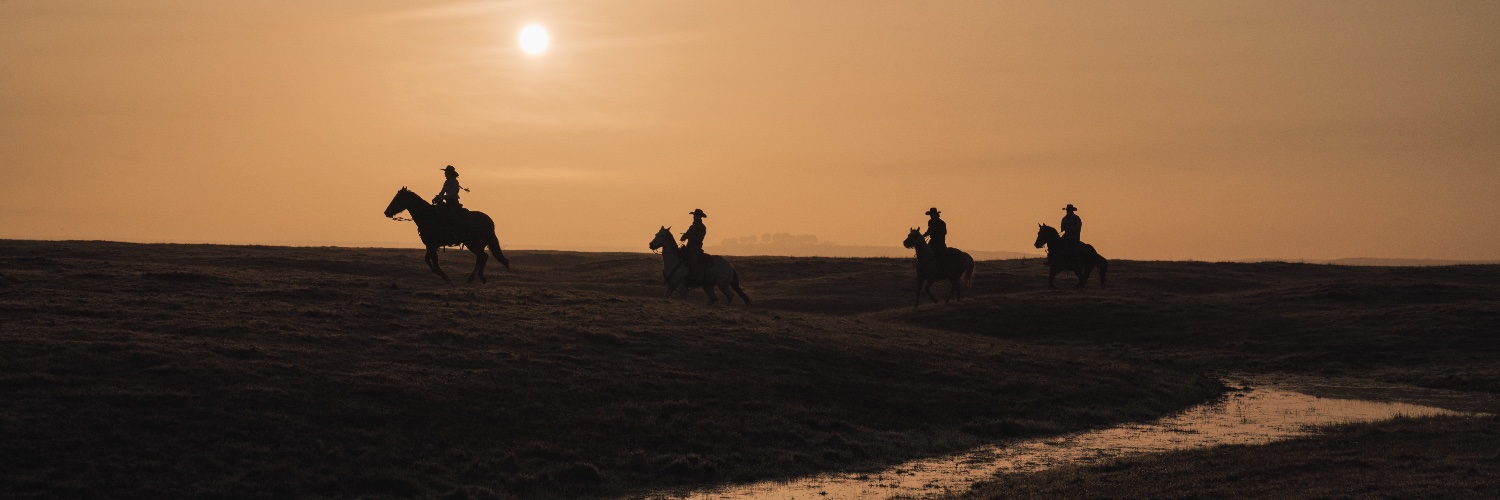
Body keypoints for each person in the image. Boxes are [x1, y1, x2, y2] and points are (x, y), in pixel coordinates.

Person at [433, 165, 465, 241]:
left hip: (453, 203)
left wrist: (442, 197)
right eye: (445, 172)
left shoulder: (455, 182)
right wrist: (437, 197)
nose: (445, 174)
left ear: (451, 173)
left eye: (446, 172)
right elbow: (442, 191)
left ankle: (455, 233)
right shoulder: (447, 181)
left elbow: (453, 194)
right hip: (447, 202)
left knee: (452, 217)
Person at [680, 209, 709, 282]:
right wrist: (684, 236)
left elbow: (699, 238)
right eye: (694, 215)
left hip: (696, 247)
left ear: (699, 217)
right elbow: (687, 233)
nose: (694, 217)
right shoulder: (692, 226)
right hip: (689, 246)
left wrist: (688, 236)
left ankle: (694, 275)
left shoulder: (702, 227)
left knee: (693, 259)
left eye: (696, 215)